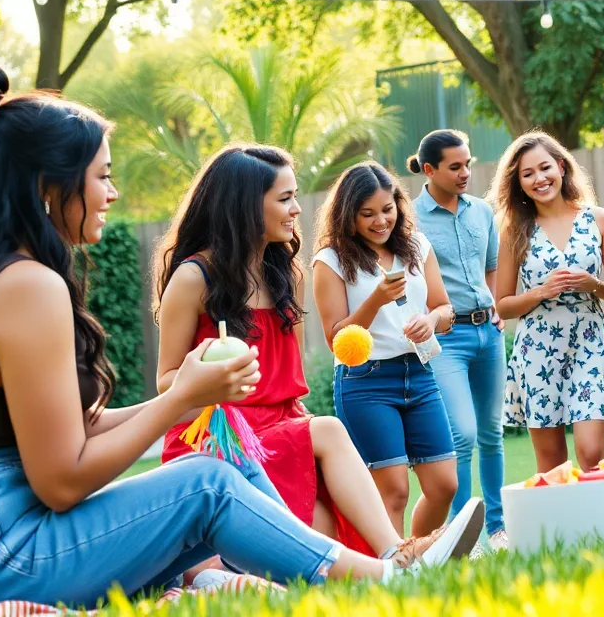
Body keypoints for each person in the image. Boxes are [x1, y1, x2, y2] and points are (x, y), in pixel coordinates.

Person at [0, 70, 476, 615]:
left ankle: (386, 569)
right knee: (205, 483)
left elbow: (78, 431)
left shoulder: (4, 279)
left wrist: (192, 392)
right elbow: (61, 481)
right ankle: (387, 576)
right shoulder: (28, 285)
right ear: (46, 185)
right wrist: (179, 398)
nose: (113, 192)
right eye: (102, 176)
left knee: (225, 470)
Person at [155, 145, 483, 565]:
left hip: (281, 428)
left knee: (326, 533)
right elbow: (166, 383)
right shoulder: (192, 278)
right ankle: (399, 555)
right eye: (285, 198)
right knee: (326, 438)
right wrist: (211, 381)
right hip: (218, 434)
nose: (296, 210)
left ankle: (395, 561)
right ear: (244, 206)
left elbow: (286, 384)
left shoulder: (286, 274)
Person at [311, 161, 459, 536]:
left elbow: (445, 308)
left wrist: (432, 321)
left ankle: (416, 552)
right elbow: (336, 340)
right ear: (348, 215)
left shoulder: (416, 246)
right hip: (366, 381)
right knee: (393, 492)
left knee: (444, 485)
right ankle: (393, 574)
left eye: (388, 209)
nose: (381, 221)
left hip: (419, 373)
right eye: (368, 214)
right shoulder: (330, 260)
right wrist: (375, 300)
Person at [490, 132, 604, 471]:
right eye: (528, 174)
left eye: (545, 167)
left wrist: (594, 285)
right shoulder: (513, 231)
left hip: (590, 343)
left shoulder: (598, 219)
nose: (539, 179)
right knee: (551, 465)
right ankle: (564, 525)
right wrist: (540, 292)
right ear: (518, 183)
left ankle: (599, 524)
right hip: (537, 349)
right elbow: (502, 305)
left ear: (562, 167)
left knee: (592, 452)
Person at [408, 130, 507, 550]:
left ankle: (498, 528)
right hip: (447, 338)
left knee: (491, 433)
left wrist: (497, 303)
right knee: (461, 434)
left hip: (490, 333)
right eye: (455, 167)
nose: (466, 172)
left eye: (468, 163)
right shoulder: (410, 218)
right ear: (429, 170)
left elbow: (491, 267)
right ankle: (459, 535)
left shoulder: (481, 211)